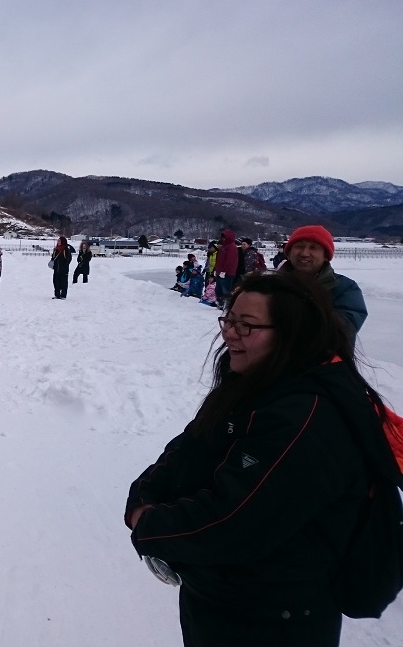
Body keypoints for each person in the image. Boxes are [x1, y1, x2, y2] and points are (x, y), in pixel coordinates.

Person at [125, 272, 396, 647]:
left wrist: (150, 525)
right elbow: (189, 446)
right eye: (229, 320)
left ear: (291, 334)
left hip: (274, 619)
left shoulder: (307, 414)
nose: (230, 334)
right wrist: (142, 495)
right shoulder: (255, 381)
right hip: (223, 600)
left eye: (247, 326)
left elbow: (234, 519)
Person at [279, 225, 368, 345]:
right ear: (289, 253)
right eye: (299, 246)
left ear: (326, 256)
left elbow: (346, 325)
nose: (305, 253)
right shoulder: (271, 284)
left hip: (324, 361)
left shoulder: (345, 287)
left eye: (313, 248)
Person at [213, 230, 239, 309]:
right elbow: (219, 259)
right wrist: (216, 269)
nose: (223, 239)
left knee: (226, 290)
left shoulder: (232, 246)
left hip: (227, 273)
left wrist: (224, 270)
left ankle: (227, 305)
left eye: (225, 237)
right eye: (223, 237)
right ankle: (220, 303)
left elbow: (230, 260)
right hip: (220, 271)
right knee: (219, 289)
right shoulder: (224, 246)